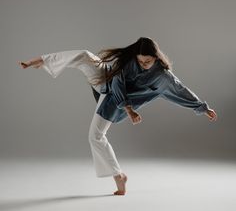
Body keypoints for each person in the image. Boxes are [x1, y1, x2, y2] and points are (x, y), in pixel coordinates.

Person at [18, 37, 217, 196]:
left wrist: (202, 107)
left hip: (112, 98)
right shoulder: (129, 62)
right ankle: (41, 61)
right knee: (84, 55)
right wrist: (129, 110)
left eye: (147, 61)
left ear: (156, 58)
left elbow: (180, 90)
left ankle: (118, 176)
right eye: (140, 61)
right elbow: (117, 82)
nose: (143, 65)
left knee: (95, 136)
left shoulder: (163, 76)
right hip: (105, 79)